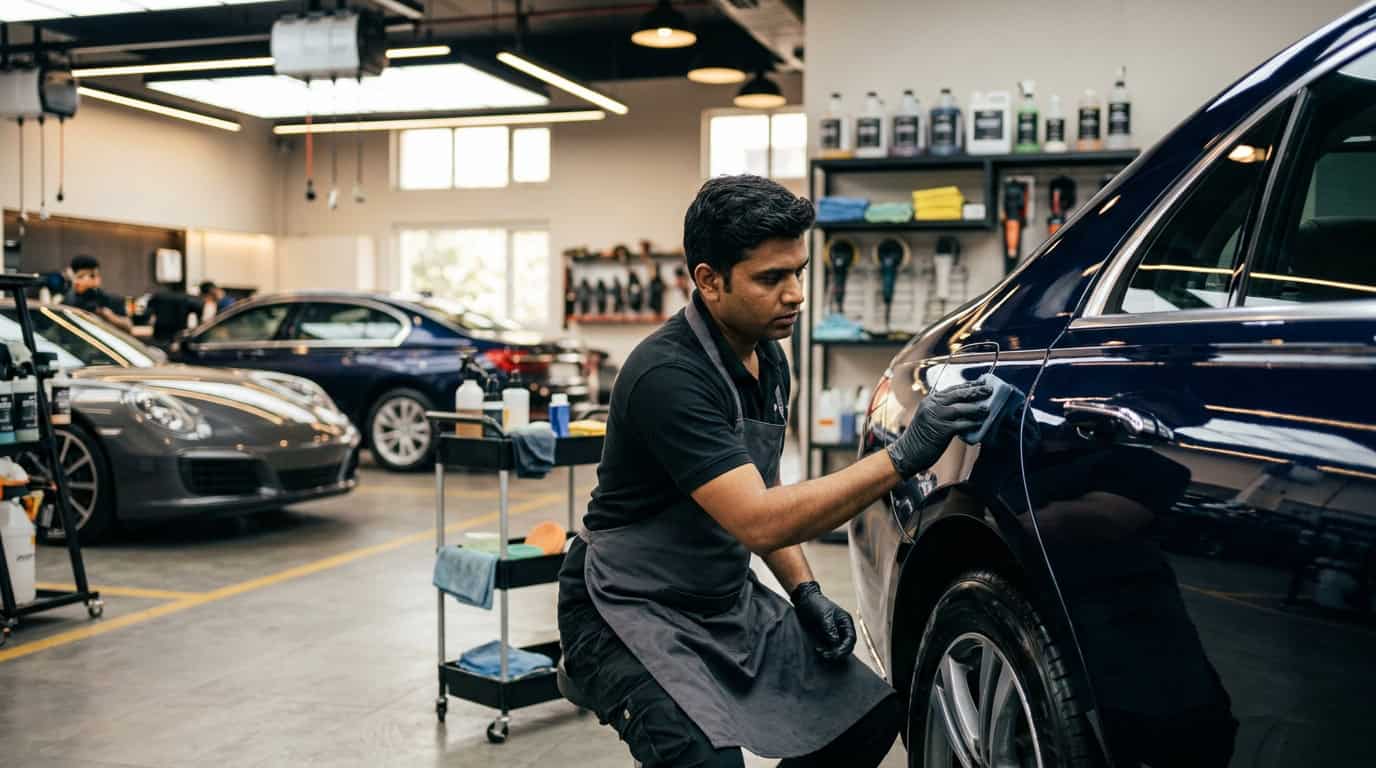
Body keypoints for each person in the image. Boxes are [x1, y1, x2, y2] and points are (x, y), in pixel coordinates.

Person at [557, 175, 995, 767]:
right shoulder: (668, 377)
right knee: (704, 761)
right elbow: (760, 522)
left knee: (865, 720)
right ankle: (599, 671)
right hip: (626, 605)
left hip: (719, 597)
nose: (795, 295)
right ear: (709, 281)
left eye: (799, 272)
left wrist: (805, 591)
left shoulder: (769, 358)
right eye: (771, 278)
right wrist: (900, 458)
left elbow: (763, 490)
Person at [65, 254, 133, 332]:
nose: (80, 281)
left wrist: (111, 317)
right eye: (79, 277)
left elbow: (129, 326)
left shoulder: (112, 300)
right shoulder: (68, 301)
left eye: (92, 276)